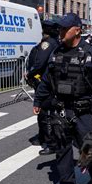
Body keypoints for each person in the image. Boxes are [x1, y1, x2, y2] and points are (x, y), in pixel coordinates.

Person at [33, 13, 92, 184]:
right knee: (62, 150)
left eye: (63, 28)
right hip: (61, 110)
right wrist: (38, 100)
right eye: (59, 28)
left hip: (84, 113)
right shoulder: (57, 52)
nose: (59, 32)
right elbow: (46, 79)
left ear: (77, 30)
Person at [26, 20, 59, 155]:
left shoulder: (48, 43)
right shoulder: (53, 42)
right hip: (46, 82)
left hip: (45, 83)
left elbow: (40, 62)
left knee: (46, 113)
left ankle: (50, 141)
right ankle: (43, 137)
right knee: (45, 113)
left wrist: (30, 72)